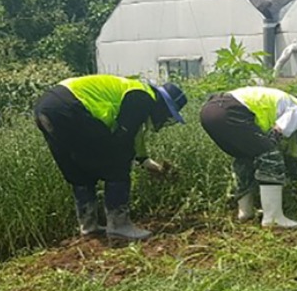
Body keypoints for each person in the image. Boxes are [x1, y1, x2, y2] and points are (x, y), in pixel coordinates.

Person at [34, 74, 187, 241]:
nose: (165, 119)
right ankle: (119, 226)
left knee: (78, 169)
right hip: (70, 106)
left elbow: (135, 134)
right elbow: (123, 139)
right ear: (162, 105)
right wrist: (121, 162)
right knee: (119, 157)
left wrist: (145, 161)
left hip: (46, 107)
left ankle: (88, 226)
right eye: (168, 114)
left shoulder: (136, 93)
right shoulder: (142, 97)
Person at [199, 86, 297, 228]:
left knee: (245, 158)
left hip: (209, 112)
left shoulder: (285, 101)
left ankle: (245, 212)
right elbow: (276, 134)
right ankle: (273, 218)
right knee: (272, 157)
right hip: (230, 111)